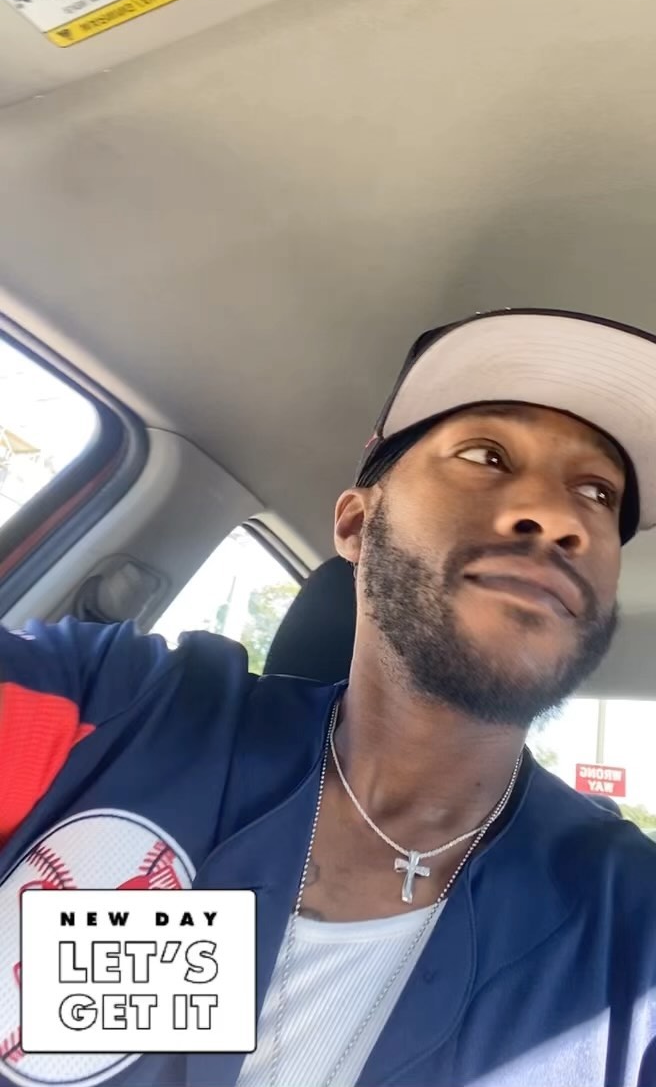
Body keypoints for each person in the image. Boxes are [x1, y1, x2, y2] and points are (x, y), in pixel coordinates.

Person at [0, 306, 655, 1087]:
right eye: (486, 454)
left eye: (598, 491)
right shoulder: (118, 714)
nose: (557, 517)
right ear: (355, 524)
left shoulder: (631, 929)